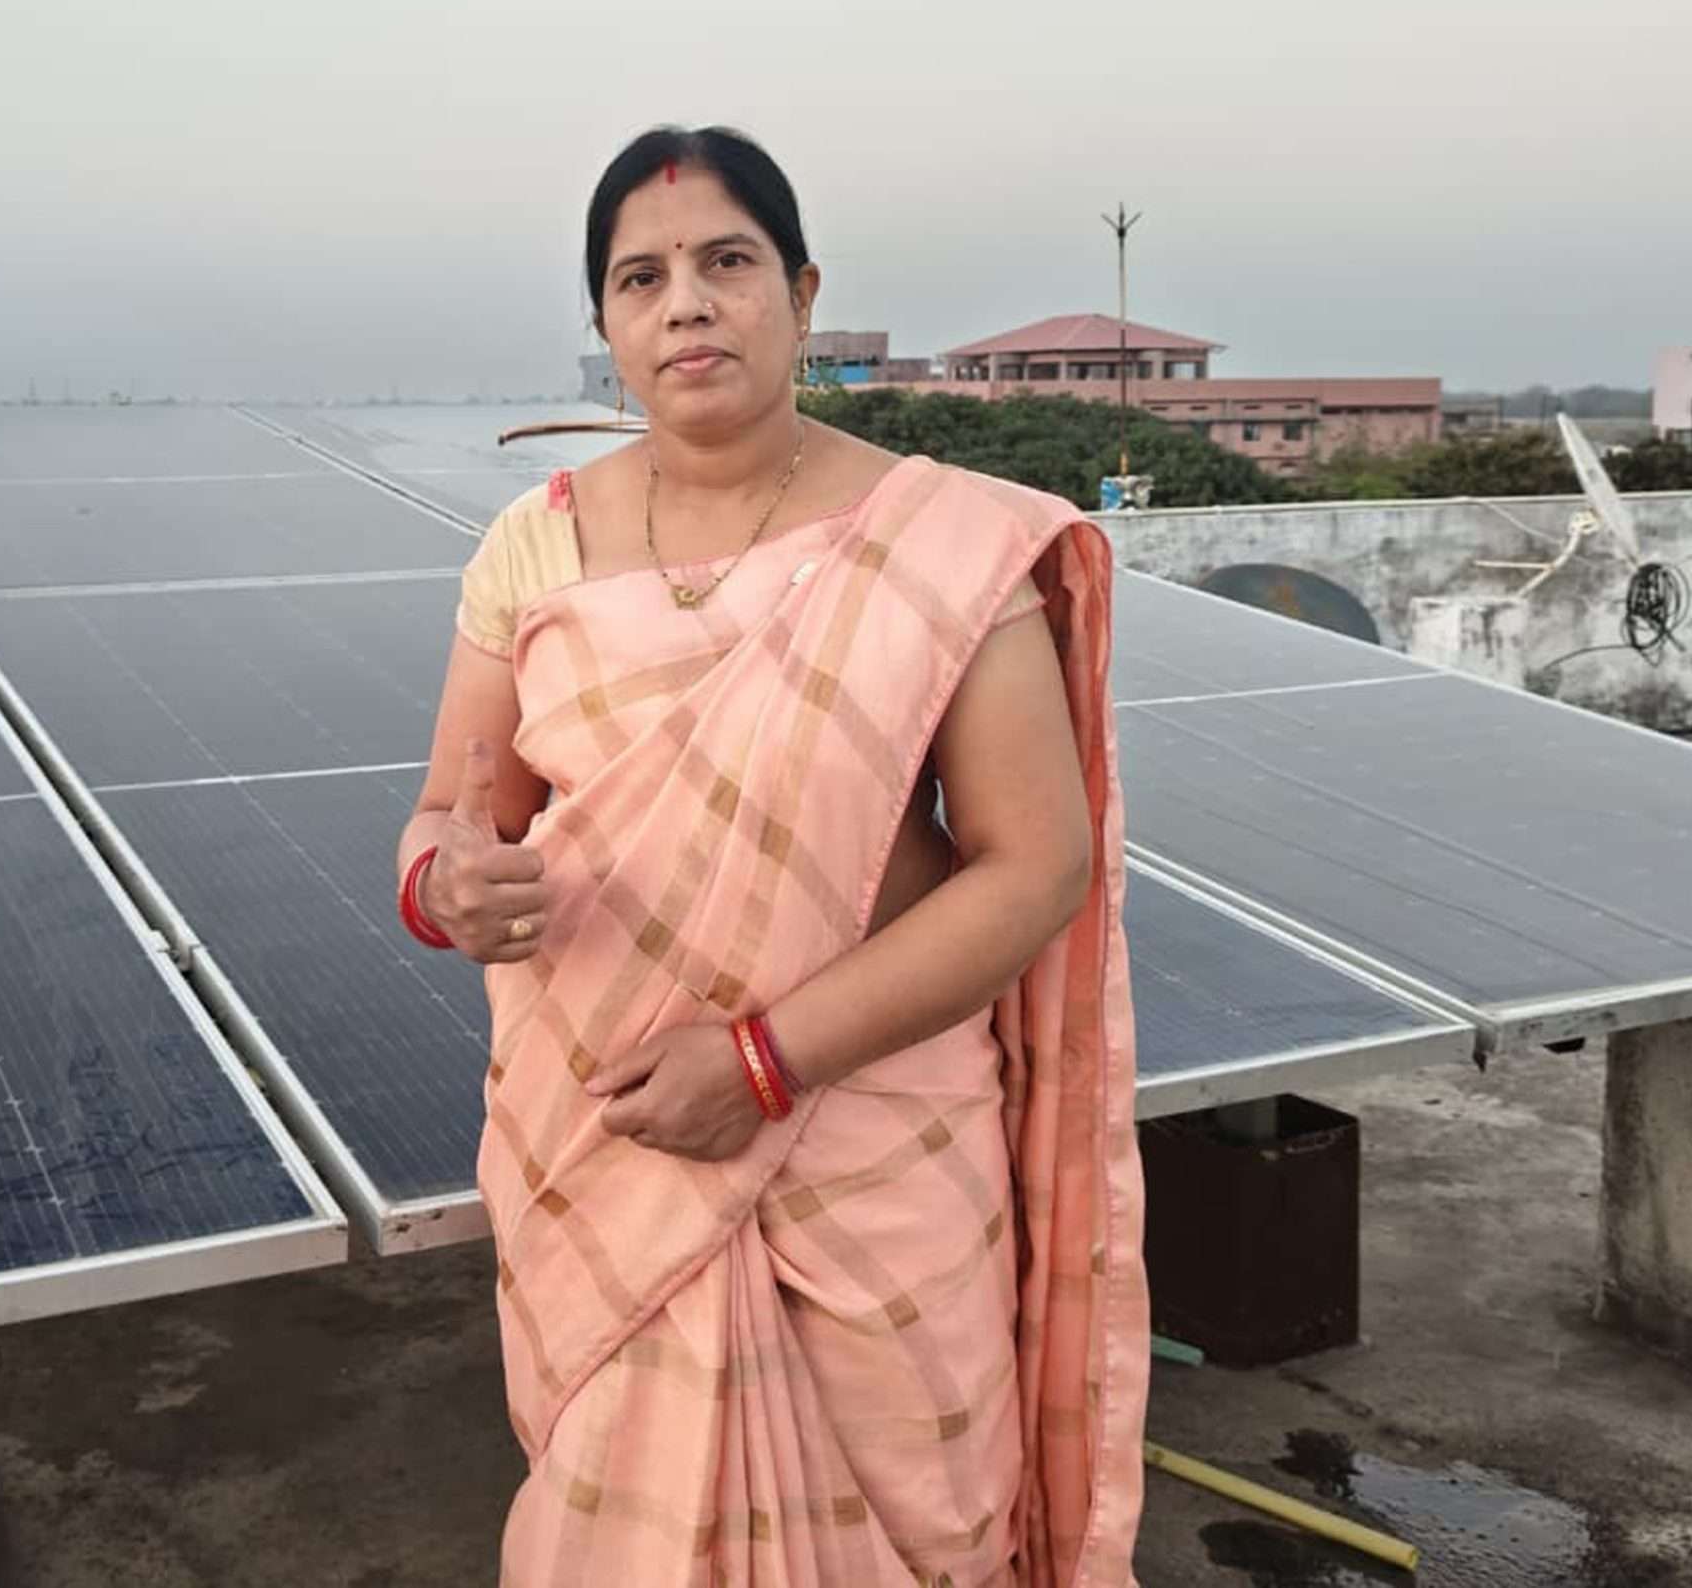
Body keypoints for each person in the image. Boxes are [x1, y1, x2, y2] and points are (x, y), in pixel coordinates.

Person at [395, 127, 1147, 1585]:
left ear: (802, 295)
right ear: (606, 320)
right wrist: (447, 886)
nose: (686, 301)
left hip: (871, 1149)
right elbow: (444, 819)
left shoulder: (939, 544)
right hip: (606, 1147)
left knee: (915, 1534)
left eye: (726, 261)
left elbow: (1033, 862)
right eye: (641, 276)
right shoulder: (532, 551)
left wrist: (760, 1063)